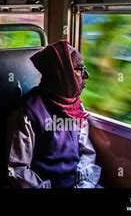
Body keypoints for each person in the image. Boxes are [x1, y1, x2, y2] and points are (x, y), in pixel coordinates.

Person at [8, 40, 101, 188]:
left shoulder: (76, 108)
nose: (86, 75)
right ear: (62, 73)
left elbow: (86, 152)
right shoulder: (30, 112)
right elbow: (18, 168)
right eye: (80, 69)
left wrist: (83, 185)